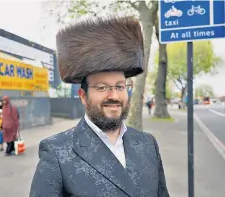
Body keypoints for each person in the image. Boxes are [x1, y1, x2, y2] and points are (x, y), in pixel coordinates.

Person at [29, 16, 169, 197]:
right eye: (102, 87)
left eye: (119, 86)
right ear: (83, 96)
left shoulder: (148, 143)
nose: (114, 96)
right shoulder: (56, 152)